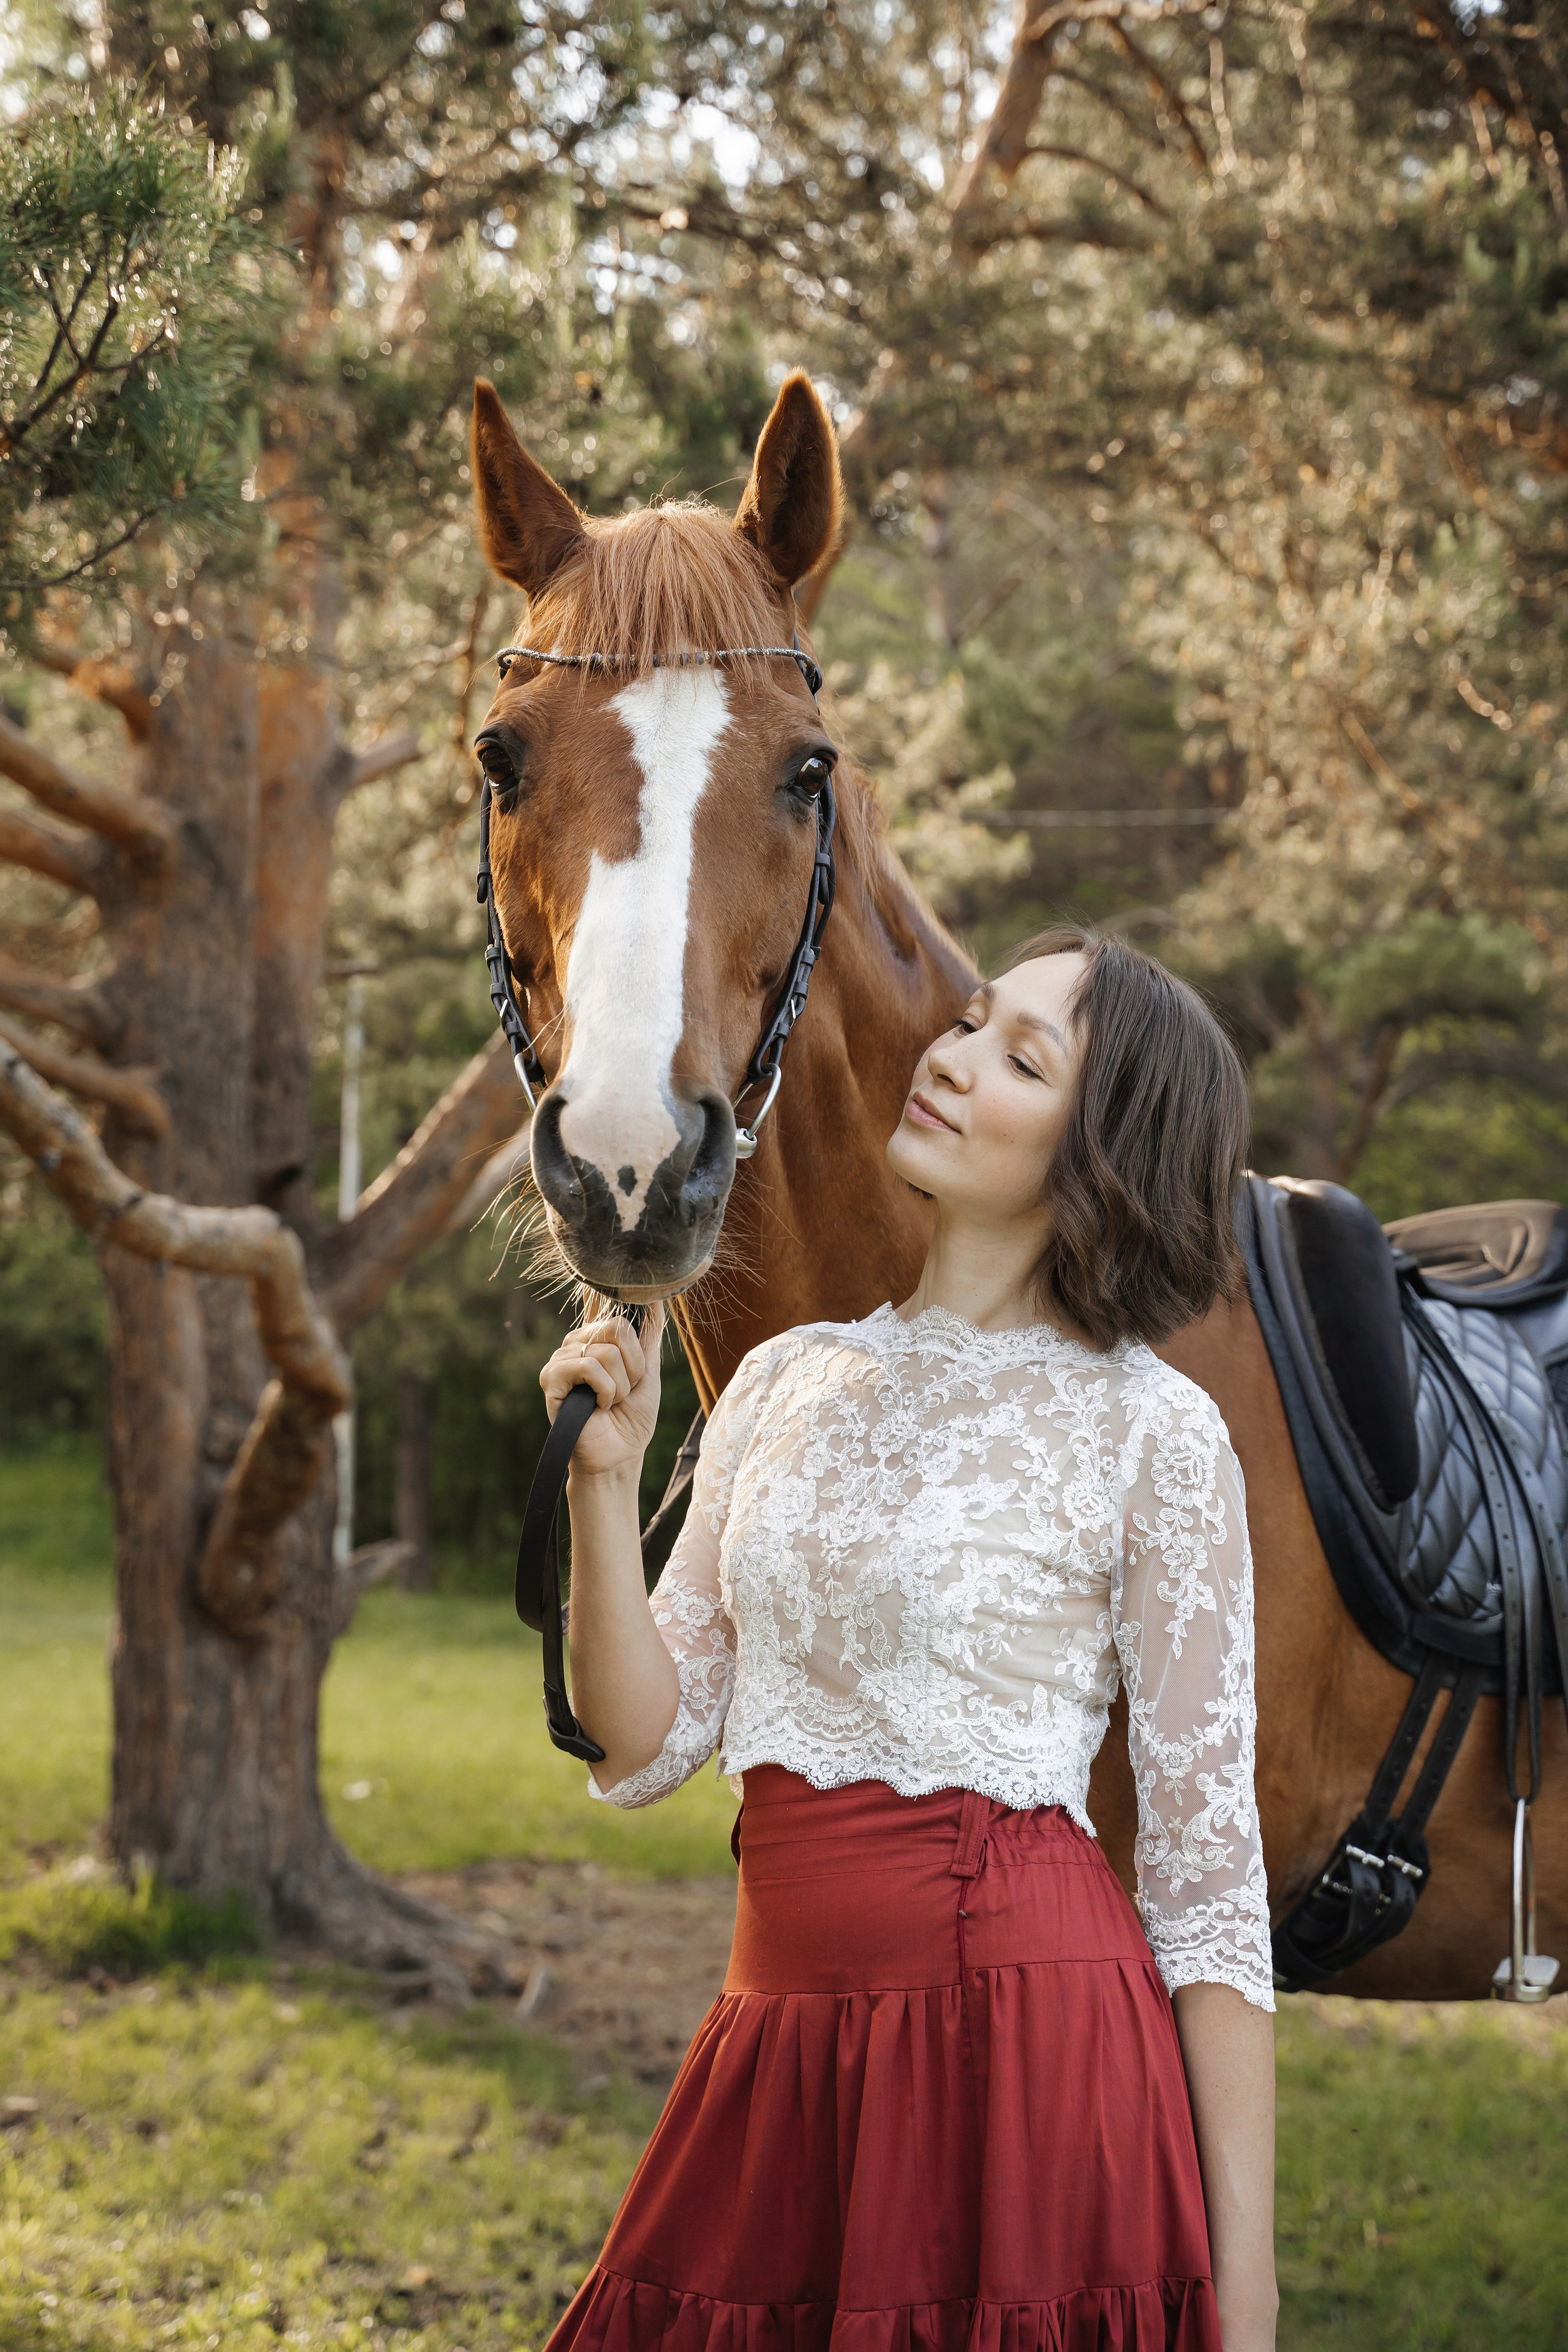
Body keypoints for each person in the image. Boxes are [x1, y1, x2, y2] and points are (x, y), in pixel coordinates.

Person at [538, 928, 1278, 2352]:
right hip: (781, 2042)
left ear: (1100, 1145)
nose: (946, 1056)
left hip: (1021, 2055)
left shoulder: (1150, 1431)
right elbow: (642, 1733)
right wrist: (601, 1483)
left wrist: (1237, 2306)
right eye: (971, 1020)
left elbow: (1205, 1891)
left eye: (1019, 1057)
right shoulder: (779, 1378)